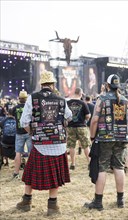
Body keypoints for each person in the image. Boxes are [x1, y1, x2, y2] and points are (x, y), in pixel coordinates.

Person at [16, 70, 72, 216]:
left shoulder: (32, 98)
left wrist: (32, 132)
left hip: (40, 144)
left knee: (29, 173)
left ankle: (26, 201)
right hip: (58, 143)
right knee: (54, 175)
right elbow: (69, 116)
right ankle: (52, 206)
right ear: (53, 84)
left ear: (42, 84)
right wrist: (61, 124)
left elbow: (24, 122)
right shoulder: (61, 99)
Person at [84, 74, 128, 210]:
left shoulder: (102, 99)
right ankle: (120, 200)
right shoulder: (126, 100)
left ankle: (98, 202)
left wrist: (92, 136)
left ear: (107, 85)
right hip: (122, 137)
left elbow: (94, 120)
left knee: (102, 167)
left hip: (105, 138)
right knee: (119, 167)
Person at [67, 87, 91, 170]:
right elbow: (88, 115)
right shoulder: (83, 103)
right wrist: (85, 119)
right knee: (86, 145)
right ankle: (90, 163)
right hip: (81, 126)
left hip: (70, 126)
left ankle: (73, 164)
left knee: (72, 146)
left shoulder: (68, 103)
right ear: (81, 94)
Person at [12, 90, 32, 179]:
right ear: (26, 99)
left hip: (19, 132)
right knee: (31, 153)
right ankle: (32, 172)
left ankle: (16, 173)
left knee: (18, 153)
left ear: (19, 99)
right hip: (28, 132)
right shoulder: (29, 107)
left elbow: (12, 117)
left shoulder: (14, 108)